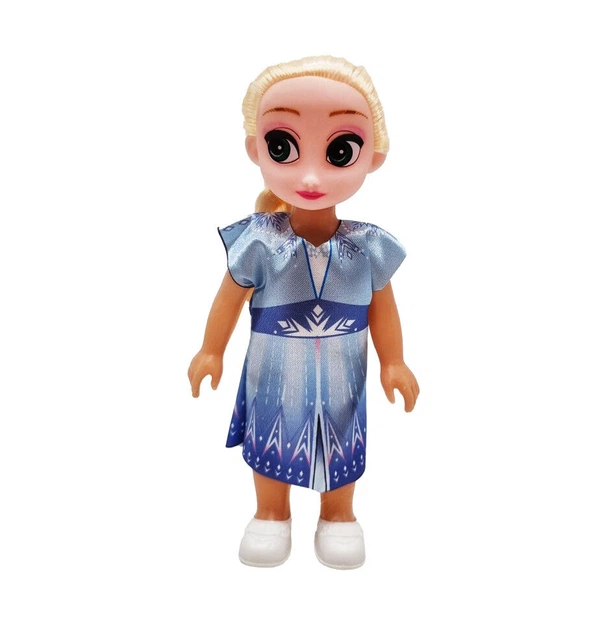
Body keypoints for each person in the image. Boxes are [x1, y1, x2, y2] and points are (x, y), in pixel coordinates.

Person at [188, 56, 419, 569]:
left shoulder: (367, 248)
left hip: (344, 374)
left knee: (342, 439)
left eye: (340, 150)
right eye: (282, 147)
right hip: (273, 371)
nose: (311, 175)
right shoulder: (259, 243)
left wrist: (393, 361)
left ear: (374, 156)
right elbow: (228, 299)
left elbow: (384, 308)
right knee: (272, 433)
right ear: (256, 149)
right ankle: (271, 513)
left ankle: (338, 514)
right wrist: (210, 350)